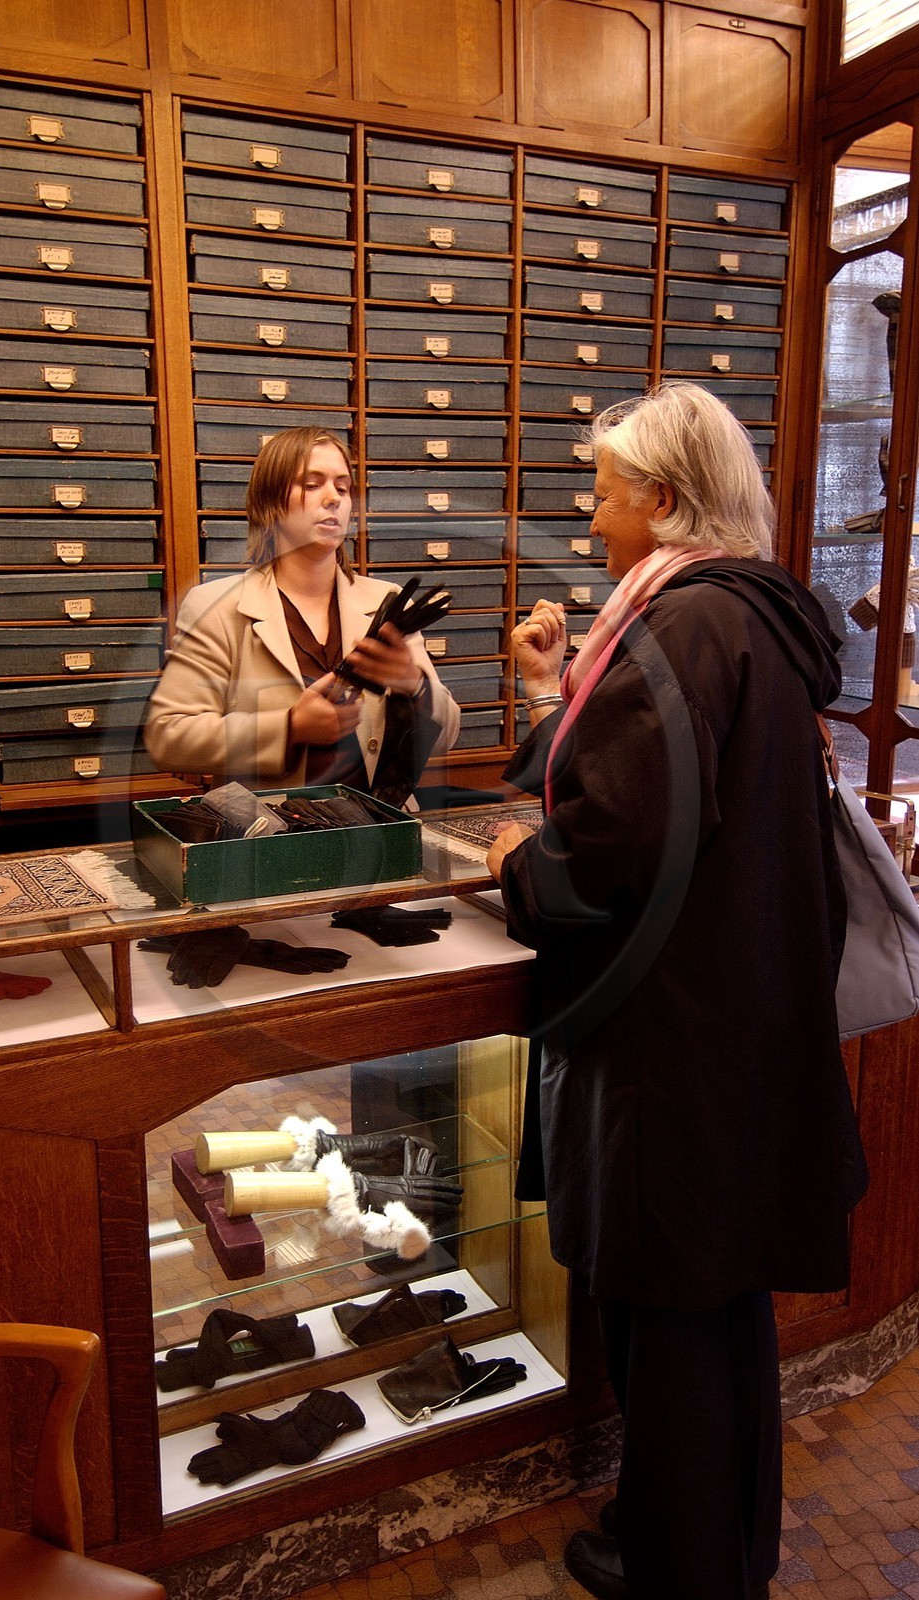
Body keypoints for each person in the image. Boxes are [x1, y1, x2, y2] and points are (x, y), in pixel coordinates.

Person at [486, 382, 868, 1600]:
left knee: (674, 1318)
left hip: (671, 1044)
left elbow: (612, 856)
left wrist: (514, 866)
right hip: (737, 1023)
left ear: (659, 500)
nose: (588, 515)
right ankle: (711, 1545)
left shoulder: (680, 627)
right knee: (714, 1311)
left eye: (602, 491)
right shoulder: (743, 614)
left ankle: (680, 1570)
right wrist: (552, 702)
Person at [144, 427, 459, 805]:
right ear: (270, 501)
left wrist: (415, 685)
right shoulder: (218, 606)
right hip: (269, 840)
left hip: (379, 828)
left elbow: (446, 736)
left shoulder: (387, 602)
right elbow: (168, 737)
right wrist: (290, 728)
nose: (333, 499)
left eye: (343, 489)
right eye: (312, 485)